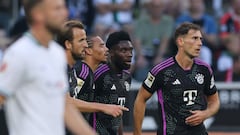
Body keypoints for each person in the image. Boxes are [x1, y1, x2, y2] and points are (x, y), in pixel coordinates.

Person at [0, 0, 96, 135]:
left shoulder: (56, 54)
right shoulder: (19, 53)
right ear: (38, 14)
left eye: (63, 8)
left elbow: (65, 106)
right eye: (57, 9)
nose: (65, 13)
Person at [133, 22, 220, 135]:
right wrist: (137, 133)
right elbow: (140, 99)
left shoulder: (204, 69)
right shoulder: (161, 70)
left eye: (200, 39)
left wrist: (206, 114)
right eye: (194, 38)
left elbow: (214, 100)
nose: (199, 43)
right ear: (180, 42)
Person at [56, 20, 129, 130]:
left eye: (85, 40)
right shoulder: (77, 71)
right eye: (81, 41)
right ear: (68, 44)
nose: (85, 45)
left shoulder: (74, 70)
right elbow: (65, 102)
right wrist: (103, 107)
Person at [94, 31, 133, 135]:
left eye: (130, 50)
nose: (129, 55)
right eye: (123, 50)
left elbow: (118, 114)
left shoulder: (127, 77)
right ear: (110, 52)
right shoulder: (98, 74)